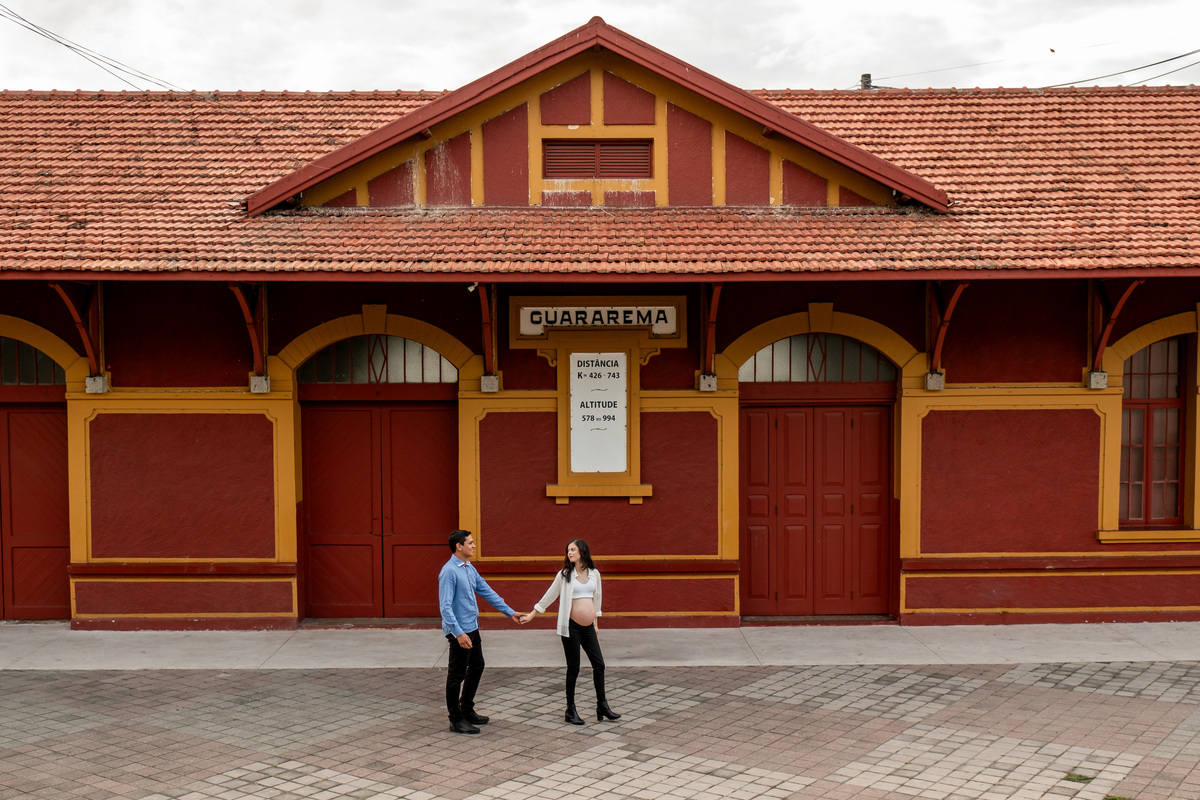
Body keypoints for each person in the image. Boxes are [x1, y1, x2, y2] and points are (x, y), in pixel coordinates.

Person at [519, 539, 621, 725]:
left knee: (599, 665)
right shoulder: (565, 574)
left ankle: (602, 705)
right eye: (568, 550)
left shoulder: (594, 574)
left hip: (589, 627)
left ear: (582, 551)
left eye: (572, 549)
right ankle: (570, 709)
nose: (569, 553)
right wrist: (533, 614)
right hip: (571, 627)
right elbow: (550, 595)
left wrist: (596, 622)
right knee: (573, 668)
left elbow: (596, 598)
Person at [438, 529, 521, 734]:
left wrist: (509, 612)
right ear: (459, 546)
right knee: (456, 675)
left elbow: (486, 590)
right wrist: (458, 634)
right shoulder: (449, 571)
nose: (474, 546)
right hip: (459, 631)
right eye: (470, 543)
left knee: (477, 666)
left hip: (472, 627)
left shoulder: (468, 567)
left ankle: (466, 709)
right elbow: (445, 607)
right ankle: (456, 719)